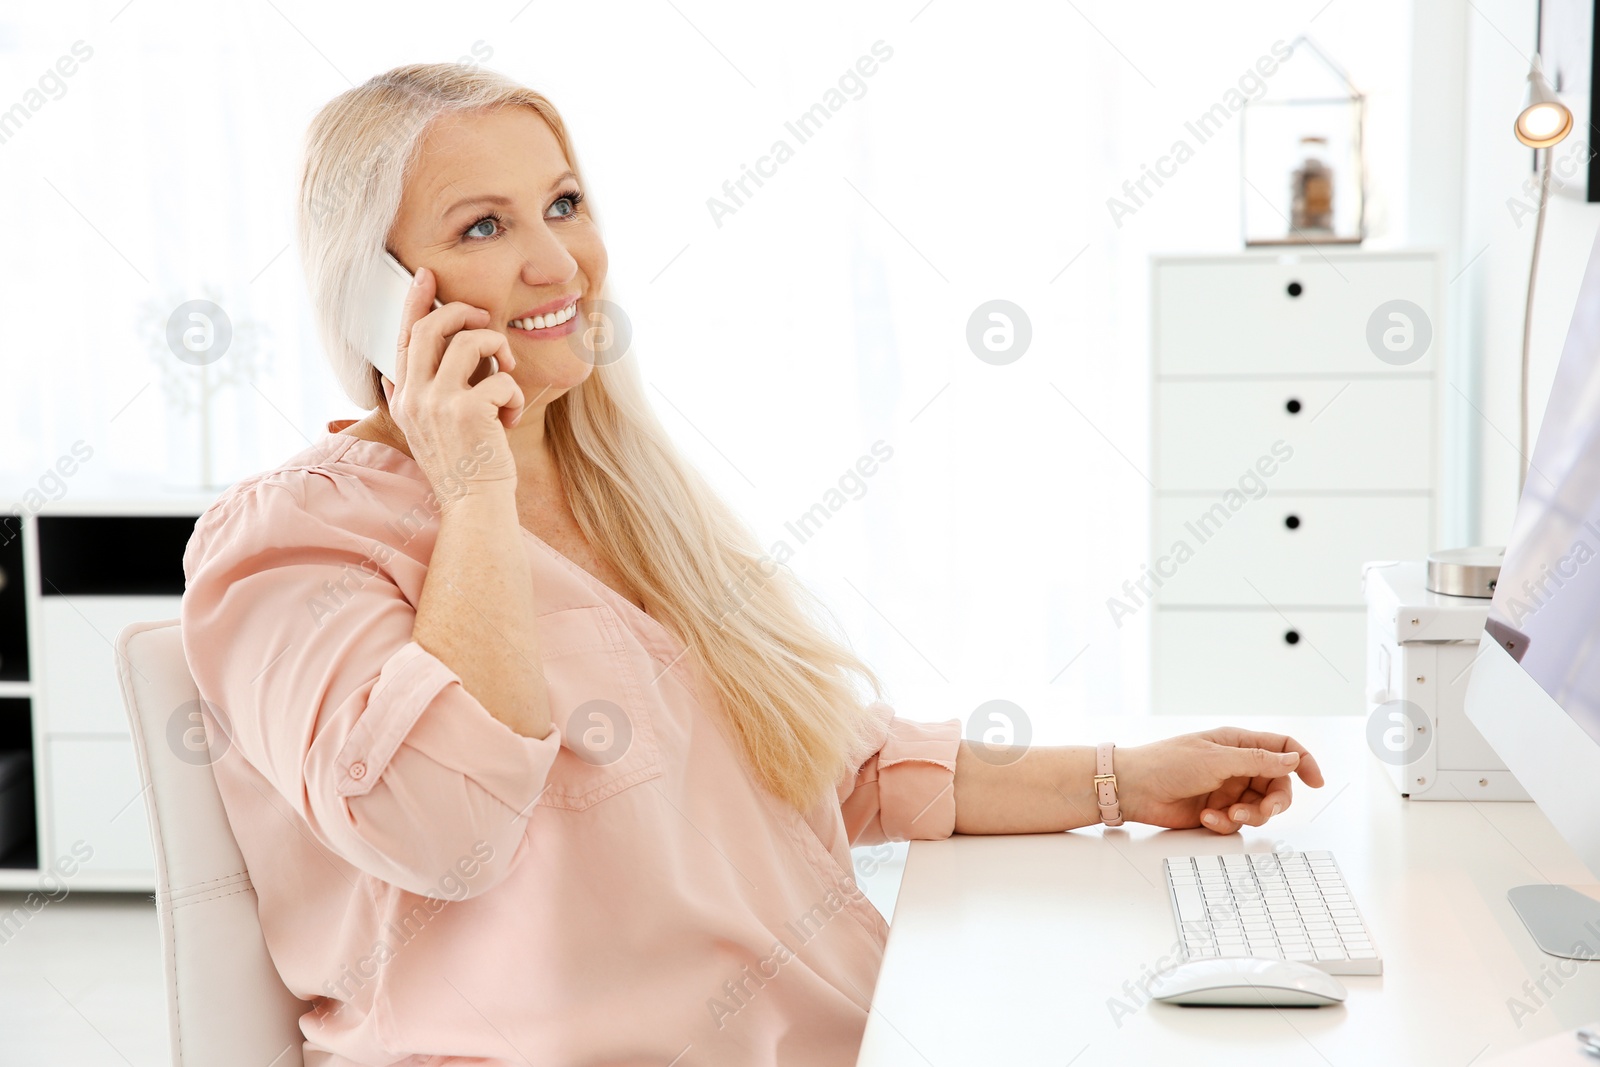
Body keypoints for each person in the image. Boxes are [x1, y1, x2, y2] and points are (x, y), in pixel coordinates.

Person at [179, 62, 1324, 1066]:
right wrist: (472, 487)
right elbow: (446, 831)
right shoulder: (294, 539)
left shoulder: (624, 495)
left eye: (564, 204)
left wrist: (1128, 777)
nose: (554, 260)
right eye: (482, 227)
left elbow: (829, 767)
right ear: (377, 295)